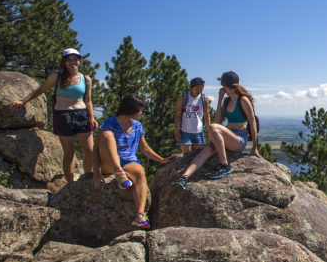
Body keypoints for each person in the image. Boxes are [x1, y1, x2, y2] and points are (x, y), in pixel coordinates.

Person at [92, 94, 178, 229]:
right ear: (131, 109)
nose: (141, 112)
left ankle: (140, 215)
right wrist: (96, 173)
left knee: (140, 172)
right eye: (140, 109)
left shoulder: (137, 126)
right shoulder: (110, 123)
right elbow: (96, 150)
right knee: (107, 135)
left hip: (127, 163)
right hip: (108, 162)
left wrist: (162, 160)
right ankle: (118, 172)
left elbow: (144, 149)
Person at [11, 48, 96, 182]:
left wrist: (91, 117)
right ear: (64, 62)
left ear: (79, 61)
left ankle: (88, 179)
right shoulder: (56, 76)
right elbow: (41, 89)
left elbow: (88, 100)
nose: (72, 62)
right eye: (69, 59)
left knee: (90, 151)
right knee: (69, 153)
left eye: (75, 59)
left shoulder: (86, 79)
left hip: (81, 115)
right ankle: (71, 184)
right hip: (63, 115)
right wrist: (23, 101)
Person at [171, 71, 260, 189]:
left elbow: (252, 122)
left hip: (238, 139)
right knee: (203, 153)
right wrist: (220, 99)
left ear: (225, 85)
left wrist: (254, 147)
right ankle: (183, 178)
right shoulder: (227, 100)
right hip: (225, 137)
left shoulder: (243, 100)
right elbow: (218, 121)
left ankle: (224, 164)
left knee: (212, 127)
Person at [174, 77, 211, 152]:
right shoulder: (183, 97)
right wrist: (176, 131)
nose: (199, 90)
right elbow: (177, 115)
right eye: (197, 88)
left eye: (201, 88)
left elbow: (206, 115)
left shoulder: (204, 98)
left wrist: (209, 130)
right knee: (187, 156)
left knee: (197, 155)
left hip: (198, 131)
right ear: (192, 87)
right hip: (185, 131)